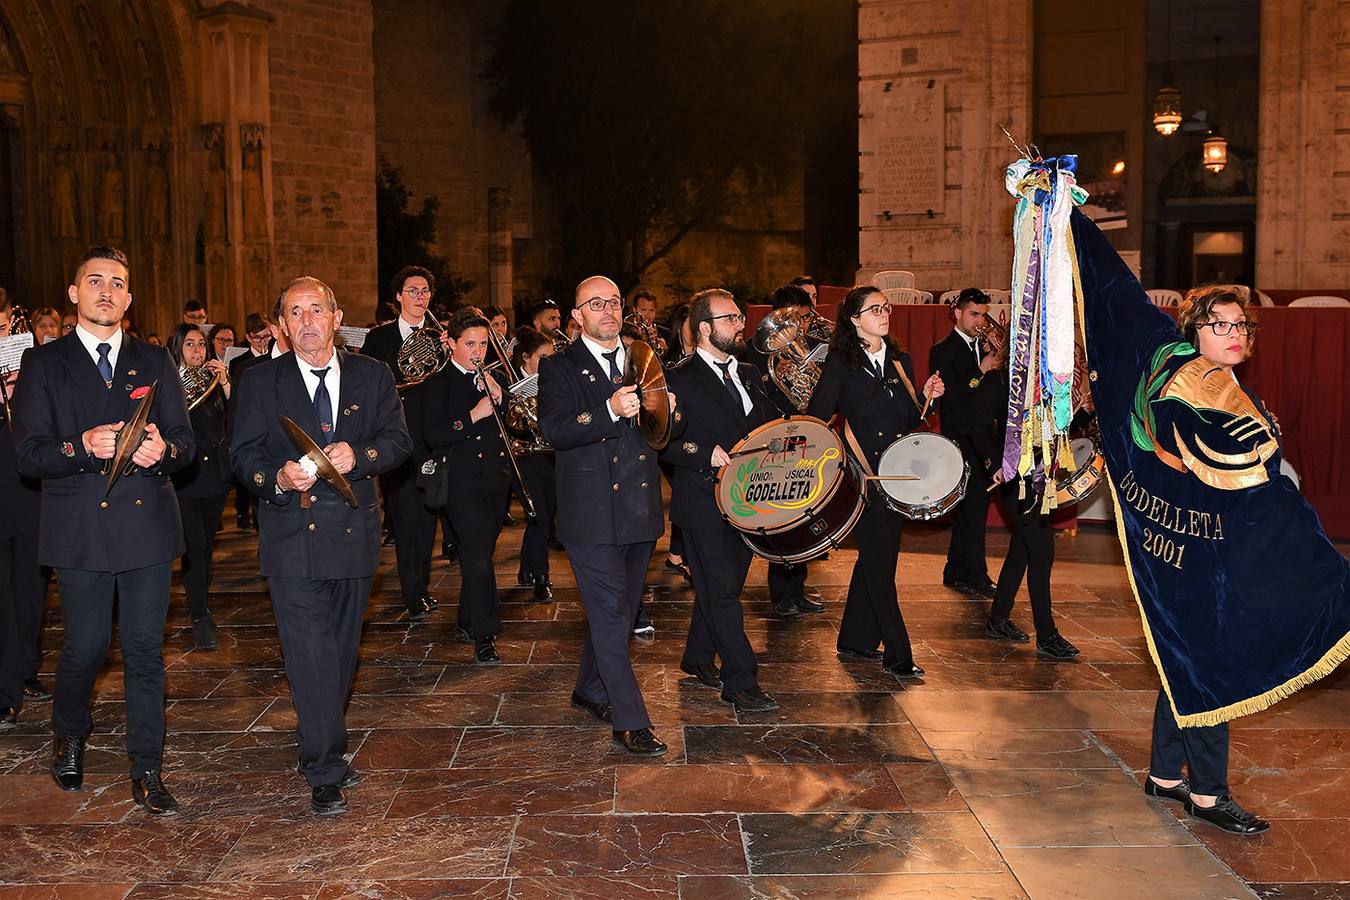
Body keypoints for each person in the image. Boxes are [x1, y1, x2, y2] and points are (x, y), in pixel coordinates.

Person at [12, 245, 195, 815]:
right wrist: (81, 447)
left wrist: (164, 452)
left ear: (130, 298)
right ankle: (69, 732)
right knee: (86, 647)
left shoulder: (153, 359)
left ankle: (148, 768)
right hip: (79, 530)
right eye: (94, 281)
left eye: (118, 282)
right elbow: (28, 454)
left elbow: (187, 443)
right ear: (74, 293)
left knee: (144, 652)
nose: (106, 291)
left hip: (146, 529)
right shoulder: (45, 363)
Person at [231, 275, 411, 815]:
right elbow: (242, 456)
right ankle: (324, 765)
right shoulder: (261, 382)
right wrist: (277, 479)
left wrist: (363, 458)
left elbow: (398, 441)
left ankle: (324, 740)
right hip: (291, 536)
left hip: (354, 533)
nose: (307, 321)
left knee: (339, 650)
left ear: (336, 317)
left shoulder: (374, 375)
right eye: (294, 312)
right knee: (308, 651)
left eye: (316, 310)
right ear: (282, 326)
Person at [1140, 285, 1270, 836]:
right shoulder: (1198, 384)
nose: (1234, 334)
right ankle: (1208, 793)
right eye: (1220, 325)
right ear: (1195, 330)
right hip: (1203, 549)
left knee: (1186, 659)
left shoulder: (1214, 380)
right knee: (1211, 670)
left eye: (1240, 325)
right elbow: (1227, 467)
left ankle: (1167, 775)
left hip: (1199, 545)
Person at [537, 275, 677, 757]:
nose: (608, 311)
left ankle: (589, 688)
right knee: (612, 611)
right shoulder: (560, 367)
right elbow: (553, 429)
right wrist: (609, 410)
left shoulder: (645, 358)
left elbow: (664, 433)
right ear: (577, 316)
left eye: (614, 302)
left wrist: (671, 411)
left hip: (639, 510)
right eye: (595, 304)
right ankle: (630, 719)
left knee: (616, 612)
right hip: (591, 514)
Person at [806, 284, 943, 680]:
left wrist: (928, 397)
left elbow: (908, 419)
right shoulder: (840, 362)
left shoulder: (900, 359)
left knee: (877, 558)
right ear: (854, 319)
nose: (884, 314)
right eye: (874, 309)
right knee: (882, 565)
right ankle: (898, 652)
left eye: (886, 308)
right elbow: (818, 415)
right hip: (862, 476)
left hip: (895, 474)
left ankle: (855, 638)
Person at [662, 288, 778, 712]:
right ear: (705, 328)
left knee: (720, 587)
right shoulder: (677, 378)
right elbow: (660, 442)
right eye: (730, 319)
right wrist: (701, 451)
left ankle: (696, 657)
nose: (739, 324)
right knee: (724, 594)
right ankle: (740, 678)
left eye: (738, 317)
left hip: (748, 500)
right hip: (703, 501)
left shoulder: (751, 372)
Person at [422, 315, 512, 662]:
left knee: (481, 557)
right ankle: (485, 634)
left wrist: (501, 396)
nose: (478, 351)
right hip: (460, 481)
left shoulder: (494, 378)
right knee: (475, 555)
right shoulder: (439, 383)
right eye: (470, 344)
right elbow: (433, 434)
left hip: (495, 477)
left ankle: (465, 618)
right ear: (452, 344)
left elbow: (515, 423)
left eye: (483, 344)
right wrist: (473, 415)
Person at [360, 266, 440, 620]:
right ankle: (412, 592)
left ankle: (422, 584)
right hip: (397, 440)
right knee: (406, 520)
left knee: (429, 519)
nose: (420, 297)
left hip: (434, 438)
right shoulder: (379, 339)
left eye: (424, 291)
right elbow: (364, 386)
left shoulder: (440, 337)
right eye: (413, 291)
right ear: (398, 297)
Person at [747, 283, 830, 617]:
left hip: (808, 437)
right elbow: (753, 392)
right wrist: (773, 377)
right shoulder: (758, 351)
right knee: (782, 517)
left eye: (807, 318)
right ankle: (780, 593)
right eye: (800, 318)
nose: (806, 326)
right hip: (778, 440)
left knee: (805, 514)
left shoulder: (813, 346)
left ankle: (797, 589)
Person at [928, 288, 1002, 599]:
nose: (980, 321)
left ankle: (956, 569)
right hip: (960, 435)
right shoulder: (943, 349)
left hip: (982, 435)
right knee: (973, 507)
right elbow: (952, 396)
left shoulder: (981, 345)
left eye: (983, 314)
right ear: (956, 313)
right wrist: (982, 370)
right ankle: (975, 575)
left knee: (973, 506)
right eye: (974, 314)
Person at [166, 324, 233, 650]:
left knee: (206, 544)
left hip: (215, 476)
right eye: (190, 344)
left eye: (201, 345)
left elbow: (234, 419)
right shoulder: (169, 382)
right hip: (186, 476)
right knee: (194, 547)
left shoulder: (213, 383)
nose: (197, 351)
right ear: (177, 348)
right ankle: (199, 614)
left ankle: (200, 604)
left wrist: (226, 384)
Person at [0, 300, 50, 707]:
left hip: (28, 492)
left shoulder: (32, 360)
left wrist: (18, 389)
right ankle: (4, 685)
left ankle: (26, 669)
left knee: (31, 590)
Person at [512, 327, 558, 601]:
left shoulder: (552, 380)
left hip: (549, 455)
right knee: (538, 514)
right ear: (526, 358)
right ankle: (542, 577)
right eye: (543, 357)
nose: (549, 362)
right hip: (524, 457)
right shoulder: (507, 380)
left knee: (545, 516)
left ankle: (526, 566)